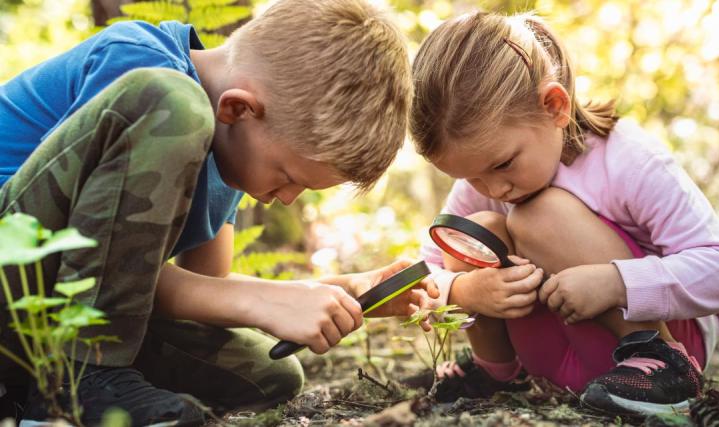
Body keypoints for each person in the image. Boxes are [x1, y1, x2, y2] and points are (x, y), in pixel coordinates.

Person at [0, 0, 437, 425]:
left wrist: (344, 292)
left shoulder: (232, 155)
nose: (287, 199)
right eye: (288, 176)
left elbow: (197, 289)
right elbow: (78, 248)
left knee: (265, 373)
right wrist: (263, 301)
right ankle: (79, 382)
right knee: (173, 102)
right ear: (237, 109)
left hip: (47, 315)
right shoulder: (149, 76)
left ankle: (31, 396)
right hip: (14, 257)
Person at [410, 11, 719, 416]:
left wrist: (616, 283)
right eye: (469, 177)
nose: (493, 189)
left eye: (502, 165)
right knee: (474, 230)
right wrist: (466, 291)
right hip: (547, 360)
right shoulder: (483, 179)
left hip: (658, 347)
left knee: (539, 215)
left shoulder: (627, 160)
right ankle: (494, 372)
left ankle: (662, 367)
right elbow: (422, 276)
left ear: (554, 106)